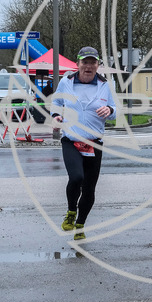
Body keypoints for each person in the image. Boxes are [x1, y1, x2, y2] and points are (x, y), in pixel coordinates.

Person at [52, 46, 117, 241]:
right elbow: (56, 103)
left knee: (89, 187)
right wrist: (55, 117)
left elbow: (115, 109)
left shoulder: (105, 85)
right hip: (71, 139)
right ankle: (71, 211)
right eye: (85, 62)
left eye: (93, 63)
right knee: (76, 177)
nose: (88, 66)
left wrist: (110, 111)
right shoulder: (66, 82)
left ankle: (80, 224)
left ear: (98, 65)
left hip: (94, 143)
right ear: (78, 63)